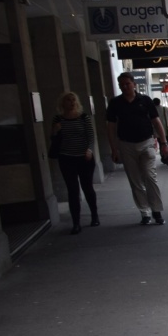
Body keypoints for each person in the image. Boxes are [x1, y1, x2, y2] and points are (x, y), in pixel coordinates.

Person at [106, 71, 168, 225]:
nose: (125, 87)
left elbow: (156, 122)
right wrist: (114, 149)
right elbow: (110, 127)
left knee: (149, 176)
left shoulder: (145, 100)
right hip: (126, 144)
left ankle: (156, 210)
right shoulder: (115, 103)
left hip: (146, 142)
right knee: (135, 181)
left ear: (134, 84)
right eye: (122, 85)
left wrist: (163, 143)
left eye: (127, 84)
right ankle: (144, 212)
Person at [51, 91, 99, 234]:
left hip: (84, 157)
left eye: (73, 100)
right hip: (66, 158)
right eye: (68, 100)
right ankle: (76, 222)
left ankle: (94, 215)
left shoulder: (83, 117)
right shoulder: (58, 119)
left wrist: (90, 150)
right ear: (63, 103)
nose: (71, 102)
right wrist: (55, 131)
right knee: (72, 190)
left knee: (87, 187)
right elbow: (53, 139)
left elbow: (91, 136)